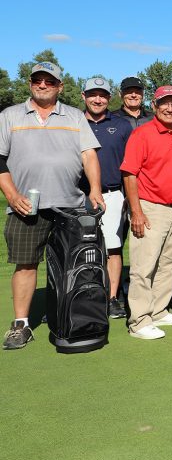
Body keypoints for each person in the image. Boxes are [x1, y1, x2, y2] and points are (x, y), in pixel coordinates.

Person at [0, 62, 103, 350]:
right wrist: (11, 195)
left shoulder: (73, 116)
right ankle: (21, 324)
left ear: (60, 86)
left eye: (49, 81)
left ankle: (65, 315)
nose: (42, 84)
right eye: (37, 80)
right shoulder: (9, 116)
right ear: (30, 83)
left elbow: (89, 156)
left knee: (71, 265)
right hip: (26, 207)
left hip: (70, 206)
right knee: (26, 264)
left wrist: (95, 189)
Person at [121, 85, 172, 340]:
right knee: (143, 266)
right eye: (164, 103)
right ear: (154, 106)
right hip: (148, 206)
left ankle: (158, 310)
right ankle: (139, 321)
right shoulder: (142, 134)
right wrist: (136, 211)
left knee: (168, 264)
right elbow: (129, 173)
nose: (169, 108)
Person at [81, 77, 133, 319]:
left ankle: (112, 298)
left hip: (113, 194)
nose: (98, 99)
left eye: (102, 95)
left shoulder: (121, 125)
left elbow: (130, 167)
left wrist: (130, 202)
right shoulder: (74, 122)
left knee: (113, 248)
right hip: (78, 196)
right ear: (84, 96)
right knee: (81, 248)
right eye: (93, 94)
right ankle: (80, 296)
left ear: (109, 99)